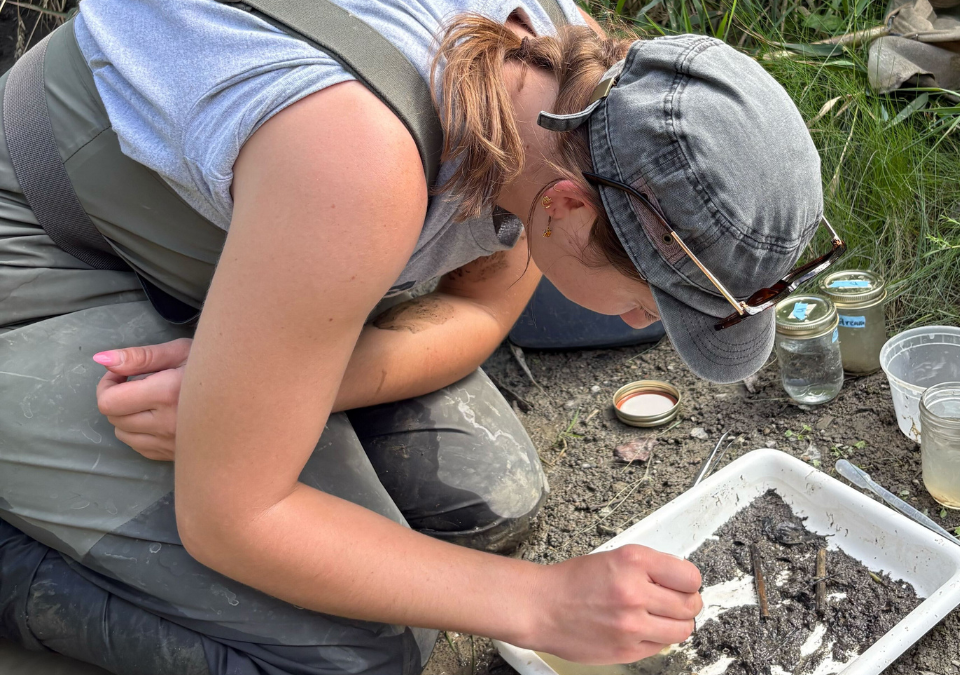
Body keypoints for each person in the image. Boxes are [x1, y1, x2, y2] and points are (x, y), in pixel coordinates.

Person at [0, 0, 827, 673]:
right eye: (652, 303)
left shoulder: (572, 90)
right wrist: (542, 602)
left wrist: (268, 390)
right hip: (51, 250)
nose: (644, 324)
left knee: (486, 498)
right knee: (355, 652)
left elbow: (480, 314)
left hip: (251, 267)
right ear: (567, 210)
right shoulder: (359, 161)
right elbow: (231, 518)